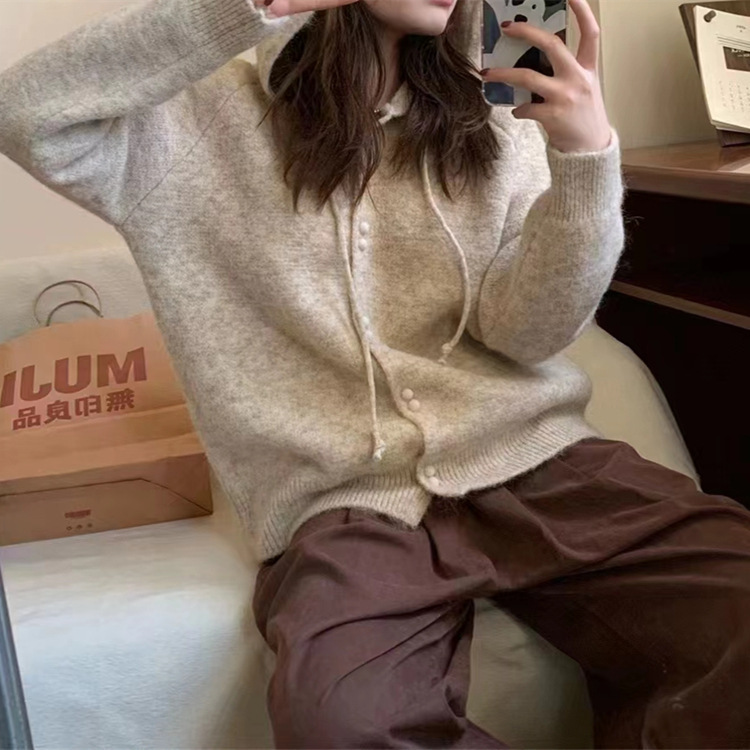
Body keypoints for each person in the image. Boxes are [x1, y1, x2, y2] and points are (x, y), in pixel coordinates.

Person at [0, 0, 748, 746]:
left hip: (541, 466)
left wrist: (586, 159)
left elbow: (527, 336)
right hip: (345, 500)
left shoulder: (496, 114)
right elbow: (24, 111)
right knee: (343, 722)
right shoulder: (191, 126)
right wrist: (248, 7)